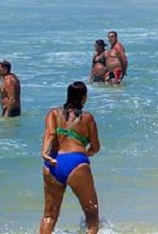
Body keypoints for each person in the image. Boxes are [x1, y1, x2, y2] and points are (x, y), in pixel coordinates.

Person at [39, 82, 101, 234]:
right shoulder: (87, 118)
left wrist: (45, 153)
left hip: (52, 163)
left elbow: (50, 134)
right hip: (76, 163)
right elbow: (96, 146)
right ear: (84, 98)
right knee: (91, 215)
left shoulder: (53, 113)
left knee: (49, 215)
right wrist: (89, 151)